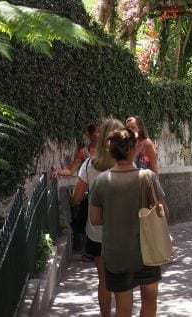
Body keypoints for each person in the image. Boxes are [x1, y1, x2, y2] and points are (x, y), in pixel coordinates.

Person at [90, 127, 168, 317]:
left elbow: (95, 219)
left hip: (116, 253)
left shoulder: (101, 181)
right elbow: (163, 211)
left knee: (123, 308)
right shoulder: (147, 177)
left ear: (112, 151)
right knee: (149, 300)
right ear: (133, 149)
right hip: (146, 250)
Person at [72, 117, 121, 316]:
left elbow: (76, 197)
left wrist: (90, 193)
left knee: (104, 279)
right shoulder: (125, 164)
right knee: (121, 279)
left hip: (97, 230)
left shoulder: (89, 164)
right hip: (122, 231)